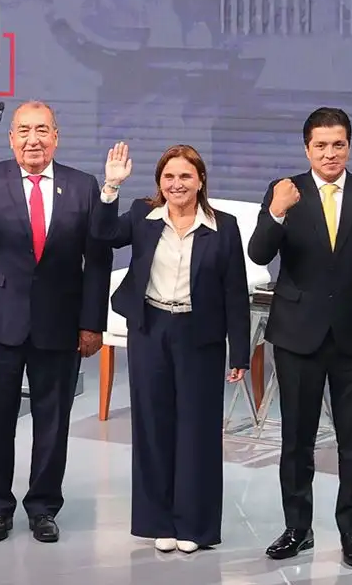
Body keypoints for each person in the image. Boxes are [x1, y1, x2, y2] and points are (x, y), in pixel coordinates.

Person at [0, 100, 111, 543]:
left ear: (56, 136)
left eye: (41, 131)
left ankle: (43, 507)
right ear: (10, 137)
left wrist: (93, 322)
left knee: (52, 420)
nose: (32, 140)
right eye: (23, 131)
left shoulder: (82, 185)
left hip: (60, 321)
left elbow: (96, 259)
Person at [247, 107, 352, 568]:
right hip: (297, 335)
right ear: (307, 148)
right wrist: (276, 212)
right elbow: (259, 253)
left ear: (349, 145)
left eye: (338, 144)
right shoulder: (285, 191)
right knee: (296, 439)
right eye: (321, 145)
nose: (330, 153)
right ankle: (297, 528)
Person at [95, 143, 248, 552]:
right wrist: (110, 186)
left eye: (185, 176)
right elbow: (103, 234)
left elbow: (235, 292)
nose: (176, 184)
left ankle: (194, 527)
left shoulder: (224, 226)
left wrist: (241, 352)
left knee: (197, 431)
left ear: (200, 181)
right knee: (152, 427)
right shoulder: (143, 218)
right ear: (159, 183)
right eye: (168, 177)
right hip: (151, 329)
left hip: (201, 336)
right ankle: (157, 521)